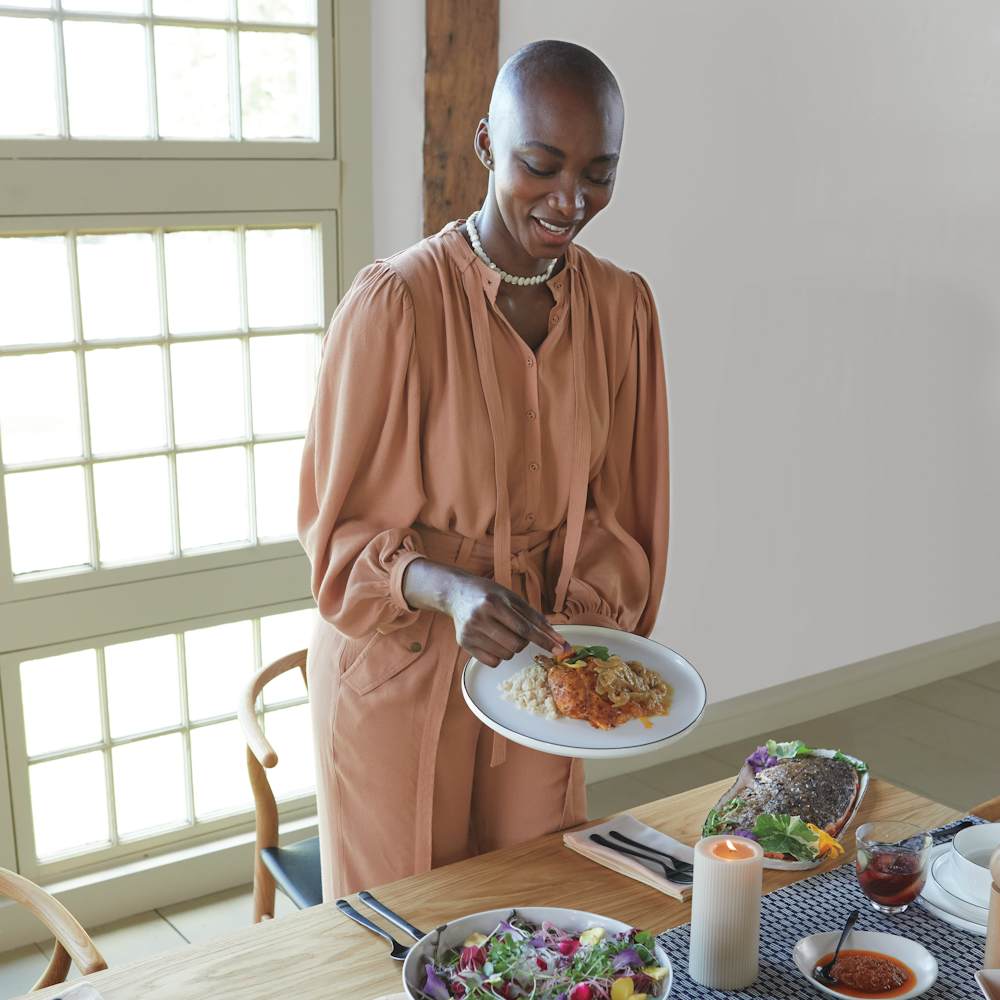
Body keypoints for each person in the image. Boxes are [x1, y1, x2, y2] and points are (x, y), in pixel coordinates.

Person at [299, 39, 669, 899]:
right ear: (483, 146)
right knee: (406, 927)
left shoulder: (622, 309)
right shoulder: (395, 304)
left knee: (539, 908)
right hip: (399, 654)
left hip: (540, 658)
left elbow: (626, 516)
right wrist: (452, 588)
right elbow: (337, 538)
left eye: (600, 173)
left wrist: (578, 632)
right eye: (541, 164)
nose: (571, 199)